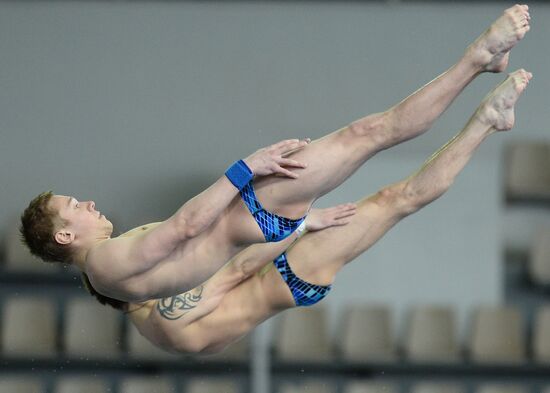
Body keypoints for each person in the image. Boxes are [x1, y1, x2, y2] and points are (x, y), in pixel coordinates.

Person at [20, 5, 531, 303]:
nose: (87, 203)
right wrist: (248, 167)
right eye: (74, 207)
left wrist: (300, 227)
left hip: (260, 226)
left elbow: (201, 256)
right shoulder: (105, 262)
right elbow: (184, 229)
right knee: (371, 133)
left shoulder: (107, 271)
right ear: (65, 236)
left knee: (388, 171)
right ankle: (479, 60)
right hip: (253, 212)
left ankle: (484, 99)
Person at [83, 69, 532, 355]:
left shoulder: (154, 321)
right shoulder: (166, 315)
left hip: (280, 274)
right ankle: (486, 120)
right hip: (287, 273)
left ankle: (487, 122)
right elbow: (237, 268)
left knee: (395, 201)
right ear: (123, 291)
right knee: (397, 200)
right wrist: (300, 224)